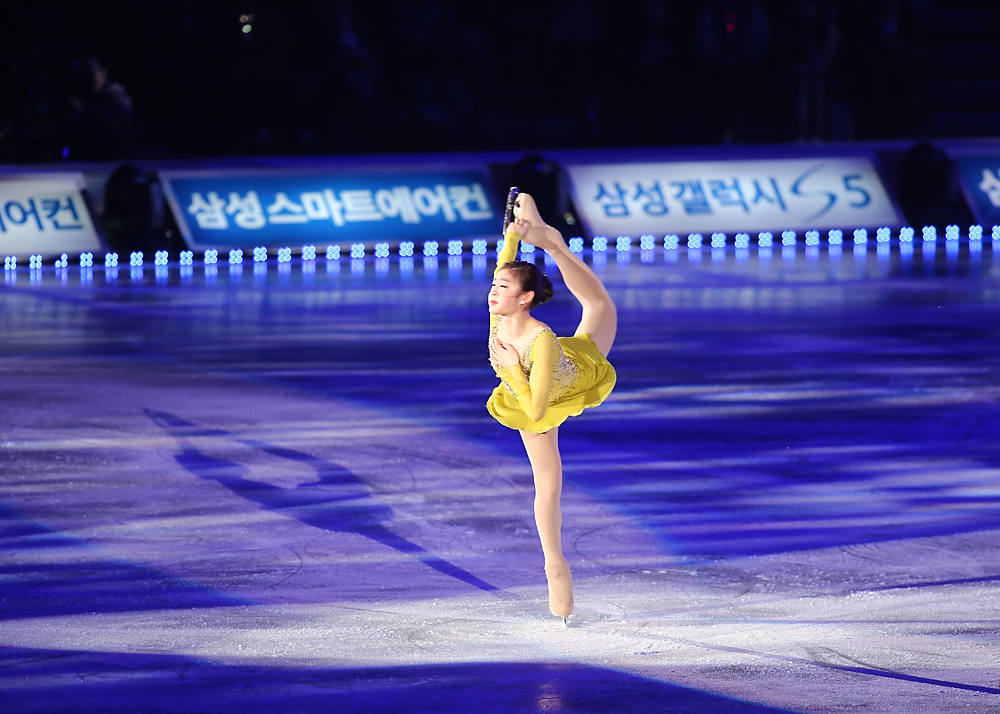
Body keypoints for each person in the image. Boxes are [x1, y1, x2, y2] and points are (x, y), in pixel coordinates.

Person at [487, 192, 617, 623]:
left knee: (599, 305)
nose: (493, 291)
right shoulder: (502, 316)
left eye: (502, 288)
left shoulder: (541, 338)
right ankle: (554, 565)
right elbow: (505, 264)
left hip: (566, 377)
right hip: (535, 388)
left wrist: (511, 368)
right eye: (494, 285)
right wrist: (512, 238)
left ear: (525, 298)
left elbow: (538, 409)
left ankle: (554, 245)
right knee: (548, 482)